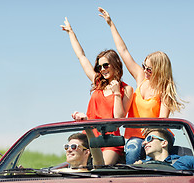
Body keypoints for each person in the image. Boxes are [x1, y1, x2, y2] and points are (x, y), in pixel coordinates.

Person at [98, 7, 185, 164]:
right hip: (133, 136)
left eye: (149, 68)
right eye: (144, 66)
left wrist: (150, 131)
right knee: (133, 146)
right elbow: (123, 51)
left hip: (155, 137)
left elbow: (162, 120)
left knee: (134, 147)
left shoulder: (164, 91)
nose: (144, 70)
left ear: (159, 70)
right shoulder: (141, 78)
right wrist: (110, 24)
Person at [61, 17, 134, 165]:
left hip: (109, 140)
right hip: (88, 136)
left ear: (115, 64)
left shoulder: (126, 89)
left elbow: (119, 119)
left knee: (100, 169)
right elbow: (81, 57)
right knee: (74, 169)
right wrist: (71, 32)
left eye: (105, 65)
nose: (102, 69)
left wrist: (116, 93)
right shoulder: (97, 82)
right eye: (99, 67)